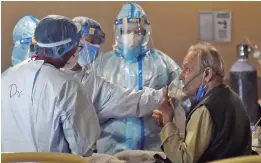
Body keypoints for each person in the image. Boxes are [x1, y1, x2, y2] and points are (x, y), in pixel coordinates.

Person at [1, 15, 100, 157]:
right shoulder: (66, 85)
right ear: (61, 50)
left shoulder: (5, 78)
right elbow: (84, 146)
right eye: (75, 46)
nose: (75, 51)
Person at [93, 2, 184, 154]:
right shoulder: (102, 64)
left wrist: (170, 112)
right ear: (118, 32)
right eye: (126, 31)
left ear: (145, 33)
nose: (132, 36)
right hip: (110, 152)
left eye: (137, 31)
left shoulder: (162, 63)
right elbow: (91, 104)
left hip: (153, 150)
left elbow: (183, 95)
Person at [153, 43, 252, 163]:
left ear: (207, 74)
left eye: (187, 69)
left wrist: (168, 121)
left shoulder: (206, 109)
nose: (181, 76)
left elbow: (183, 159)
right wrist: (167, 123)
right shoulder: (234, 99)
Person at [63, 16, 164, 125]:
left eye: (96, 44)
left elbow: (129, 100)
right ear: (74, 40)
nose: (93, 48)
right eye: (90, 41)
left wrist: (165, 95)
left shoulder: (94, 84)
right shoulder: (47, 73)